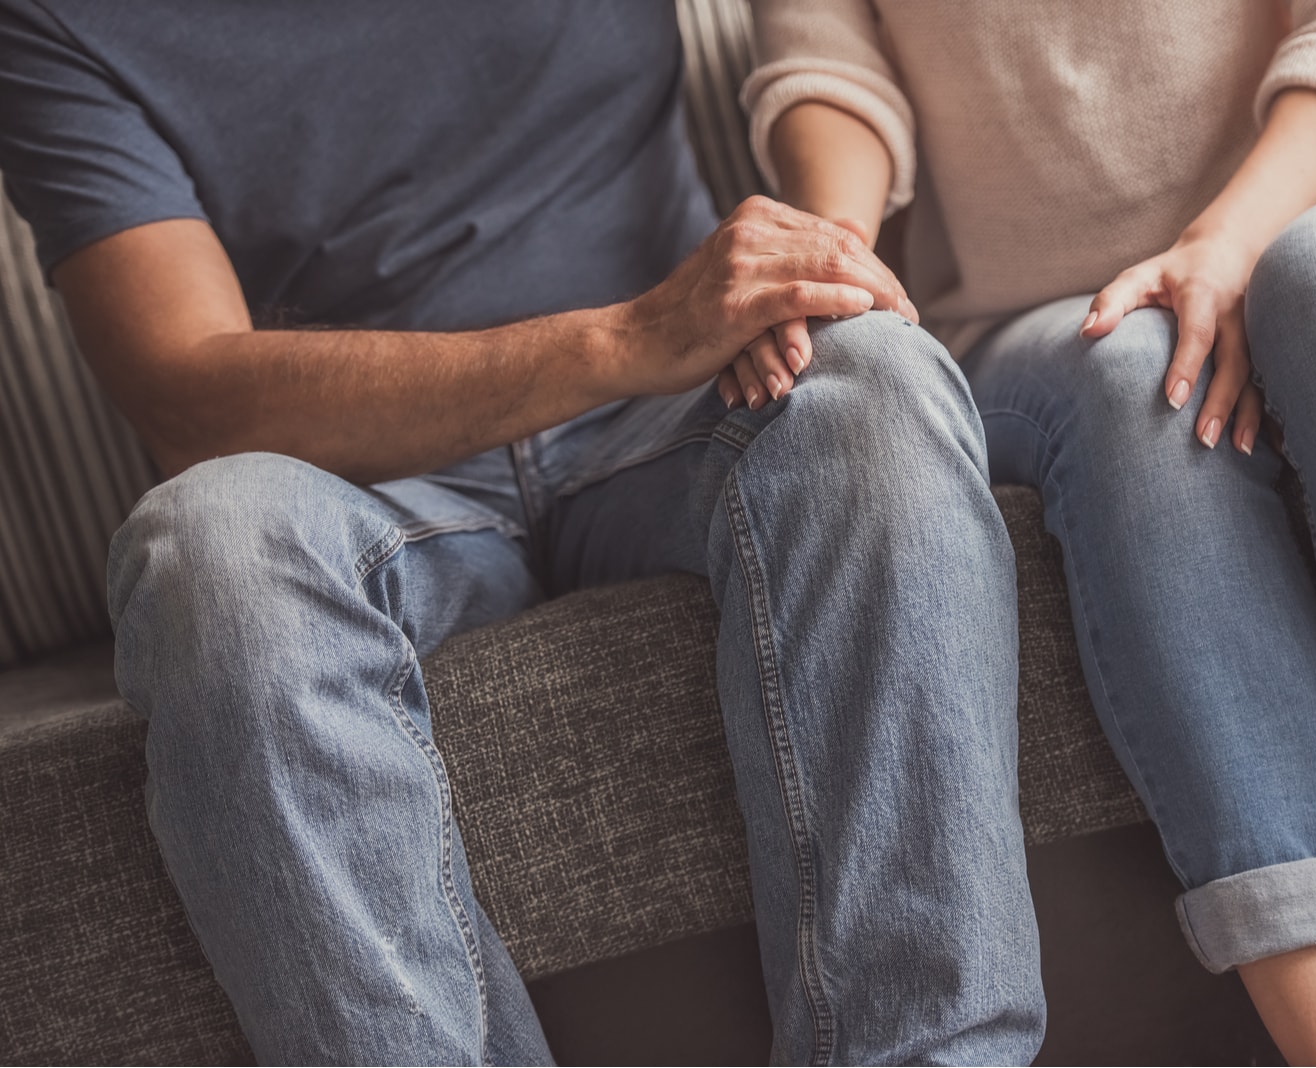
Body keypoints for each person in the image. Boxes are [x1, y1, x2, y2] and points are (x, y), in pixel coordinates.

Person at [0, 2, 1049, 1063]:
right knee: (209, 544)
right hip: (369, 481)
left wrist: (817, 254)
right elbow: (189, 398)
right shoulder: (59, 23)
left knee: (875, 377)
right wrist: (629, 336)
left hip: (684, 413)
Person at [743, 0, 1316, 1062]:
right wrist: (832, 263)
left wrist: (1227, 243)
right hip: (1050, 307)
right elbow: (832, 74)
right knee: (1139, 375)